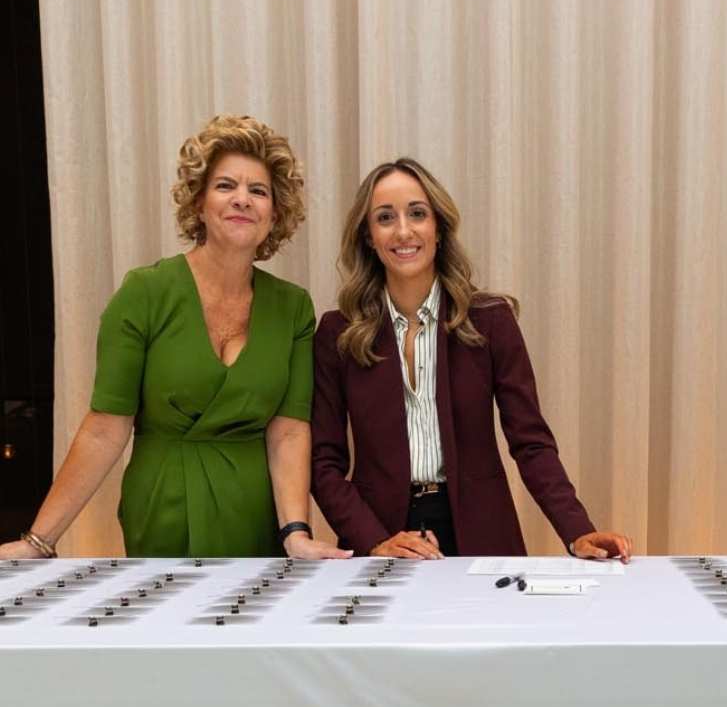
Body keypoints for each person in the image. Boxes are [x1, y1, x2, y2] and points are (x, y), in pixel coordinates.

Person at [0, 115, 349, 562]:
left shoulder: (293, 307)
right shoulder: (144, 292)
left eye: (258, 191)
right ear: (199, 202)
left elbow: (288, 432)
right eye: (225, 186)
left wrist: (295, 532)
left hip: (256, 514)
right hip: (162, 506)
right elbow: (105, 430)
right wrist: (38, 541)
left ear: (274, 214)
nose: (242, 199)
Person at [311, 158, 632, 561]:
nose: (404, 230)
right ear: (368, 236)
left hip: (483, 532)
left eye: (417, 214)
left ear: (439, 229)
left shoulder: (490, 321)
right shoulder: (337, 333)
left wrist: (578, 531)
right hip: (382, 539)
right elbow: (323, 462)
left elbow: (531, 443)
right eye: (385, 217)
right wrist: (373, 539)